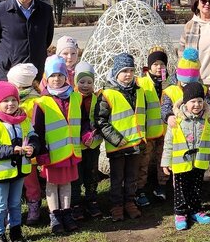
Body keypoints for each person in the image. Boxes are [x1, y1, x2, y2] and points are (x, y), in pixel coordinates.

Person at [0, 81, 40, 242]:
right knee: (0, 206)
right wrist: (12, 150)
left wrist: (33, 147)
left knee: (15, 204)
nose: (10, 104)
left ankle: (16, 232)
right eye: (5, 101)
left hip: (19, 171)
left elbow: (33, 136)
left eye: (14, 100)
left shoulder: (23, 120)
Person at [33, 55, 81, 235]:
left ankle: (66, 213)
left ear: (66, 76)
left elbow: (81, 120)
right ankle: (54, 215)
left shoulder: (75, 97)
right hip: (51, 153)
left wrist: (86, 134)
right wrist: (41, 152)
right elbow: (37, 130)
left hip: (70, 151)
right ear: (46, 77)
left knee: (66, 183)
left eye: (60, 75)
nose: (57, 79)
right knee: (52, 184)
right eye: (53, 75)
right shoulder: (42, 102)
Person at [161, 82, 210, 230]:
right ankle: (180, 213)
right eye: (193, 101)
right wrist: (166, 162)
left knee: (196, 187)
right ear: (185, 103)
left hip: (199, 161)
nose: (197, 105)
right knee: (181, 189)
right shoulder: (177, 120)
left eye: (200, 101)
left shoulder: (207, 119)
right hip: (181, 162)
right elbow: (168, 142)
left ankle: (196, 210)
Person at [96, 53, 145, 222]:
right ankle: (116, 205)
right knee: (117, 178)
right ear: (116, 72)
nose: (128, 74)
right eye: (124, 71)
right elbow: (100, 120)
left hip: (135, 143)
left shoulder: (138, 91)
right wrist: (116, 139)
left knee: (132, 176)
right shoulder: (107, 94)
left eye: (131, 70)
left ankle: (130, 202)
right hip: (117, 145)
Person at [5, 63, 43, 226]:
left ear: (19, 85)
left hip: (28, 148)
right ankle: (15, 209)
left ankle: (34, 206)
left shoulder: (32, 102)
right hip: (14, 148)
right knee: (19, 180)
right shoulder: (12, 100)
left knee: (30, 180)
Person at [136, 48, 171, 204]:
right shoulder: (141, 83)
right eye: (155, 64)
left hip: (165, 130)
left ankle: (162, 186)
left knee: (164, 160)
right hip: (148, 131)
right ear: (149, 66)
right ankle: (140, 190)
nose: (158, 67)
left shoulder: (168, 83)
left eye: (162, 64)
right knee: (142, 162)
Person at [72, 62, 103, 219]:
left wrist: (95, 134)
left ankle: (92, 200)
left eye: (89, 82)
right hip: (76, 146)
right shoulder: (71, 98)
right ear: (75, 82)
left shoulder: (98, 99)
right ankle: (76, 204)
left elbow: (101, 119)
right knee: (76, 177)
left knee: (91, 174)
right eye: (82, 81)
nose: (85, 85)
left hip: (93, 145)